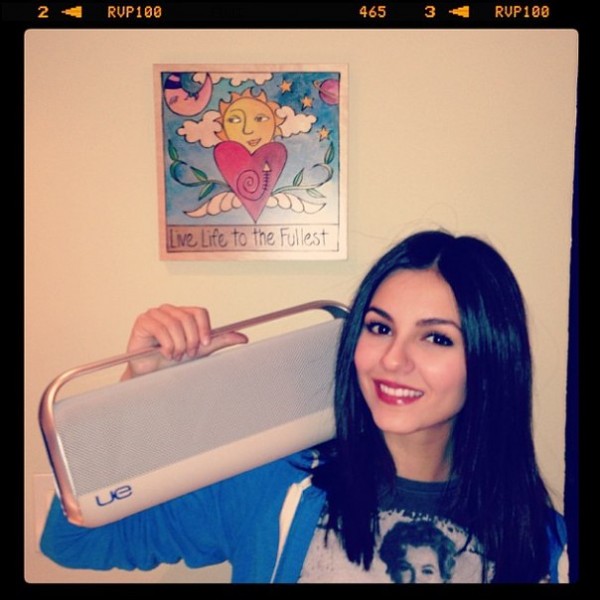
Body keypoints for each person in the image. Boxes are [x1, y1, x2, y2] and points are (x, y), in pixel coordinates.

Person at [40, 229, 569, 583]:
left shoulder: (545, 542)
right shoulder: (274, 481)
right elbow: (75, 541)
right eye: (379, 328)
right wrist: (138, 392)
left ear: (490, 362)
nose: (392, 359)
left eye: (436, 338)